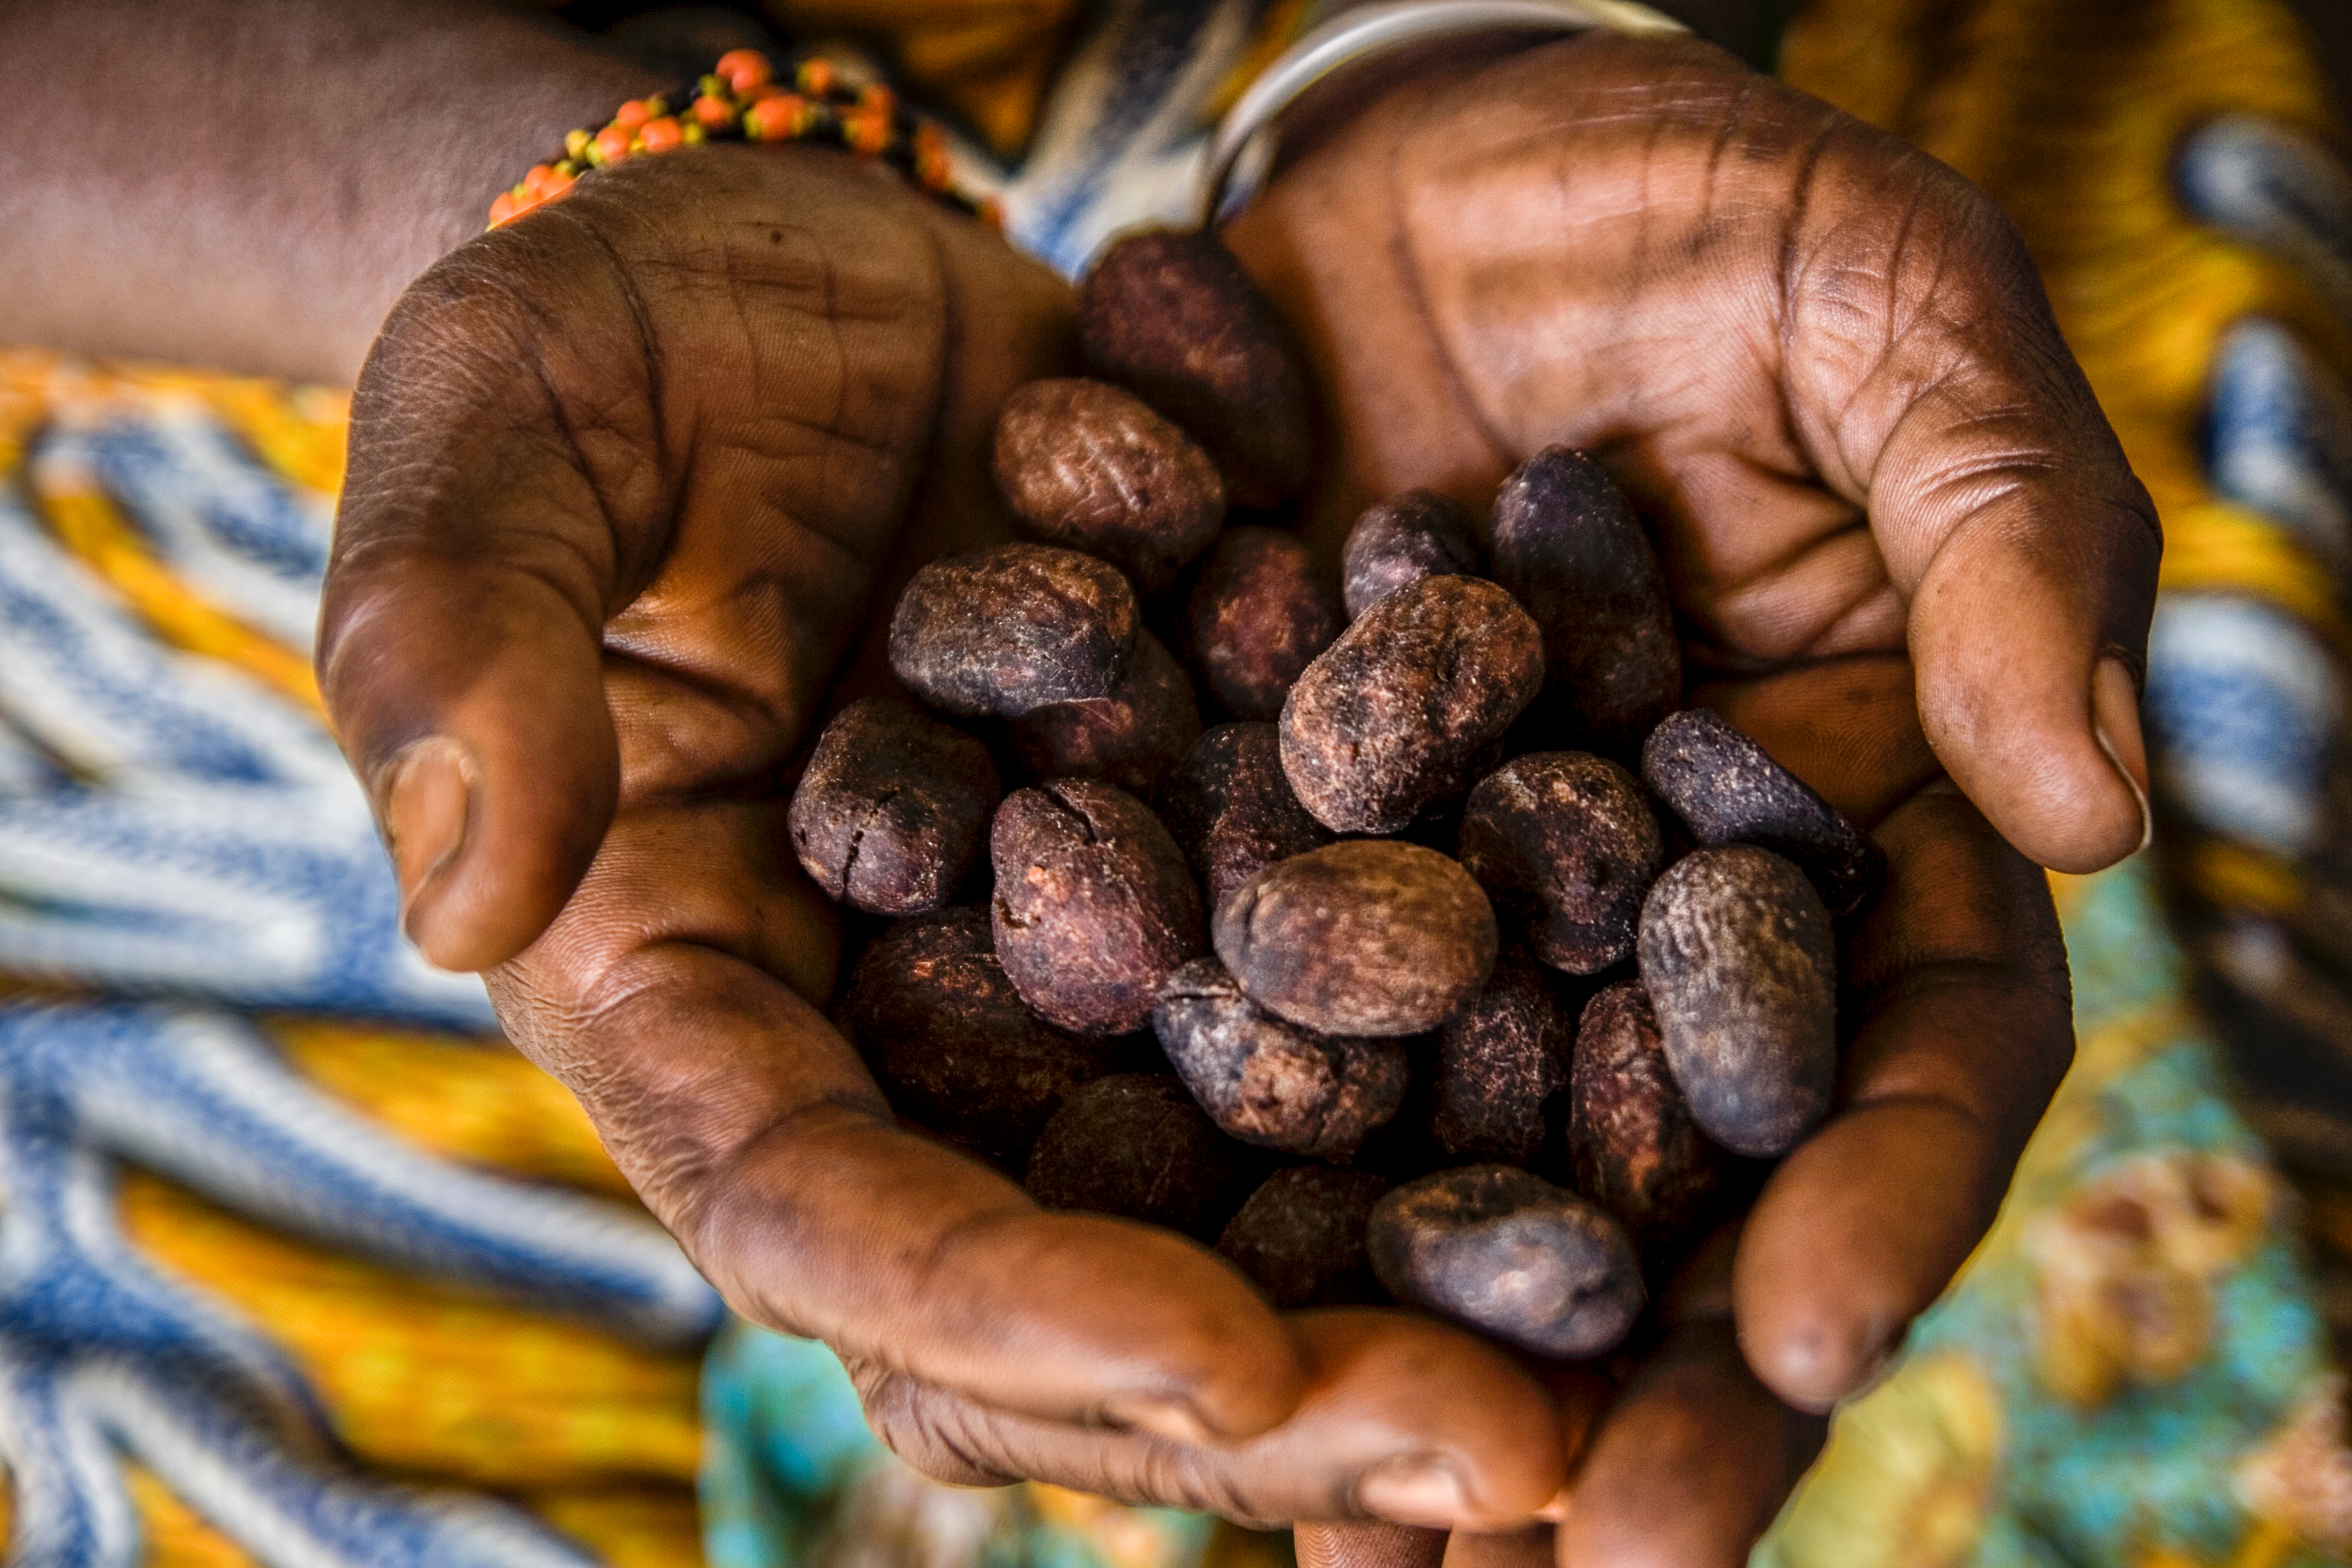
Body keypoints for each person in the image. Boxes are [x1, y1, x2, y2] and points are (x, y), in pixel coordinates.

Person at [0, 1, 2165, 1563]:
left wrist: (1472, 41)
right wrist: (579, 197)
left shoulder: (1387, 731)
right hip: (349, 514)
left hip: (1663, 179)